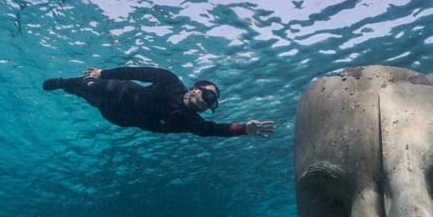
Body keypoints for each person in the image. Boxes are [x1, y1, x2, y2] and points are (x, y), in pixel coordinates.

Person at [43, 66, 275, 138]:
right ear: (197, 88)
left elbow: (215, 129)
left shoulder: (191, 122)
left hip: (117, 117)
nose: (208, 103)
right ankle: (62, 83)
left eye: (212, 104)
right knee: (86, 87)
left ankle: (74, 88)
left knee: (91, 99)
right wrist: (103, 73)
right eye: (209, 95)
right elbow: (138, 73)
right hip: (118, 91)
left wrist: (244, 129)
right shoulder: (170, 81)